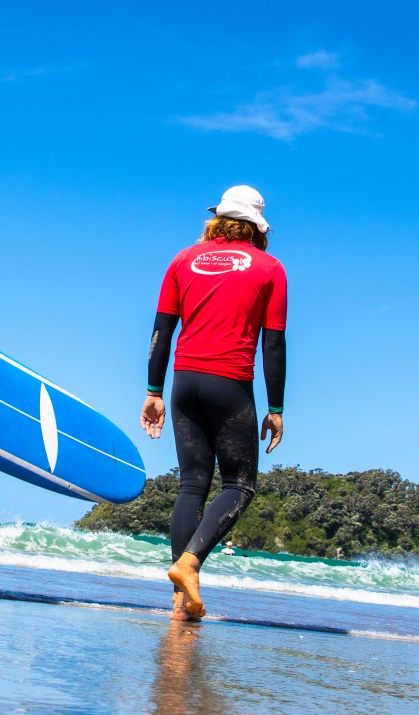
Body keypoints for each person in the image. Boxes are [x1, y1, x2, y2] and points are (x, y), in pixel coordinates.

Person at [140, 185, 287, 620]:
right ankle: (189, 564)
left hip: (183, 382)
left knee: (191, 485)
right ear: (257, 226)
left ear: (218, 218)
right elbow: (273, 343)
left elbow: (160, 331)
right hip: (230, 383)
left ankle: (180, 603)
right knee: (239, 484)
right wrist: (275, 408)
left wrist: (152, 391)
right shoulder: (270, 268)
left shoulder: (183, 259)